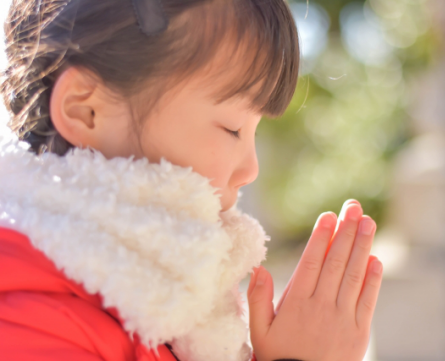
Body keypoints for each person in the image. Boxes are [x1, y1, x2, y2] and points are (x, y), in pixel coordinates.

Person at [0, 0, 383, 360]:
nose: (251, 169)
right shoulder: (25, 309)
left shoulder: (179, 309)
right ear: (85, 110)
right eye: (233, 129)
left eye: (254, 132)